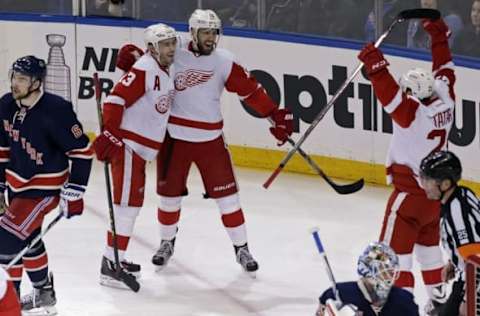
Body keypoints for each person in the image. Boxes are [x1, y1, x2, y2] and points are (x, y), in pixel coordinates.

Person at [151, 9, 293, 275]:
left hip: (210, 141)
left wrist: (274, 114)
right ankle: (166, 243)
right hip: (174, 138)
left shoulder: (223, 61)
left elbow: (251, 90)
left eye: (214, 32)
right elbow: (145, 59)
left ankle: (242, 249)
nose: (211, 38)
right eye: (205, 32)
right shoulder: (173, 50)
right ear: (192, 32)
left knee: (229, 199)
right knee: (169, 198)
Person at [357, 17, 456, 309]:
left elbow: (391, 98)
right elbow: (445, 68)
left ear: (412, 93)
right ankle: (439, 301)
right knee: (429, 249)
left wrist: (376, 66)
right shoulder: (445, 99)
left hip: (409, 197)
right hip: (435, 197)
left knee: (394, 255)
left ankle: (402, 307)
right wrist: (439, 37)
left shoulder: (413, 116)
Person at [0, 55, 93, 315]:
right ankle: (43, 293)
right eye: (14, 77)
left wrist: (75, 189)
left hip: (44, 190)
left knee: (6, 241)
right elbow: (2, 150)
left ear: (37, 82)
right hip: (15, 186)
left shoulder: (57, 110)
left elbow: (83, 152)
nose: (15, 84)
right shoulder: (6, 105)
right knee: (27, 237)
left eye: (21, 79)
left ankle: (10, 302)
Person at [92, 23, 178, 288]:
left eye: (173, 43)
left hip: (138, 151)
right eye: (165, 44)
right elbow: (115, 100)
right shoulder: (146, 68)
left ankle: (117, 256)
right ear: (152, 48)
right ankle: (110, 263)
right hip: (129, 147)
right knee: (125, 206)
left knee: (129, 205)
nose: (171, 49)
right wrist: (111, 134)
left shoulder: (161, 69)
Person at [420, 150, 480, 316]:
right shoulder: (461, 194)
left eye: (428, 180)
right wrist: (454, 263)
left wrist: (470, 302)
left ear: (445, 184)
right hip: (469, 277)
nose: (424, 185)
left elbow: (476, 259)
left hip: (472, 283)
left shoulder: (457, 211)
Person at [316, 242, 419, 315]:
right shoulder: (337, 295)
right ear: (368, 269)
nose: (390, 276)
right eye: (383, 270)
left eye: (391, 271)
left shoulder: (404, 301)